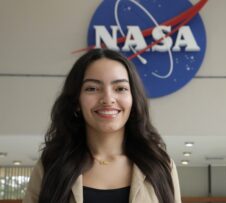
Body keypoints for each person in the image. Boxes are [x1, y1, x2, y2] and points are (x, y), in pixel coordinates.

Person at [23, 48, 181, 203]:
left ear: (133, 99)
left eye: (120, 88)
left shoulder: (161, 166)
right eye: (92, 88)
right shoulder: (51, 165)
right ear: (76, 101)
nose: (108, 99)